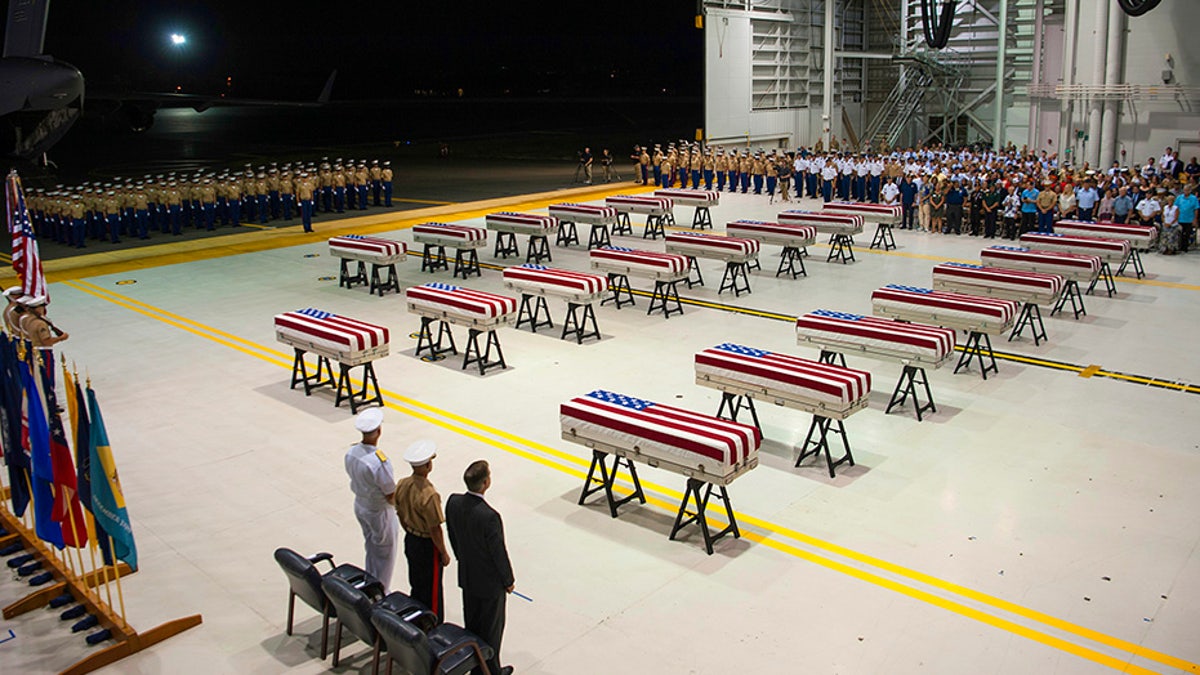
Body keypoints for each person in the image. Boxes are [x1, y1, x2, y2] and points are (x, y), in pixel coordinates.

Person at [446, 460, 515, 675]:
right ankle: (490, 672)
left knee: (473, 626)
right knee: (492, 632)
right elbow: (498, 553)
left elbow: (453, 536)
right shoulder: (489, 516)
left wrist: (462, 559)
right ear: (486, 483)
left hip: (468, 576)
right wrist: (508, 580)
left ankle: (476, 666)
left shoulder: (453, 503)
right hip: (490, 585)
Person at [393, 439, 450, 619]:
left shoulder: (402, 484)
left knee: (416, 582)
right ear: (428, 465)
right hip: (427, 545)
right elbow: (435, 529)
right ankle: (432, 623)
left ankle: (415, 616)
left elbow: (400, 513)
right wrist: (443, 552)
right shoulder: (429, 494)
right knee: (432, 590)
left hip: (411, 539)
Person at [343, 407, 398, 590]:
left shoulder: (352, 453)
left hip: (360, 504)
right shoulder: (378, 461)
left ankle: (370, 582)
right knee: (385, 555)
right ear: (379, 431)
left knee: (372, 549)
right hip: (379, 511)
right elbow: (390, 493)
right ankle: (379, 591)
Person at [1175, 185, 1197, 253]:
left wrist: (1195, 219)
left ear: (1190, 191)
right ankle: (1180, 246)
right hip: (1180, 218)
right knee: (1180, 234)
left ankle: (1185, 247)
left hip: (1189, 219)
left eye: (1187, 190)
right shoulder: (1179, 197)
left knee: (1187, 234)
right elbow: (1176, 207)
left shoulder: (1194, 198)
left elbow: (1196, 209)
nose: (1185, 192)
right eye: (1184, 190)